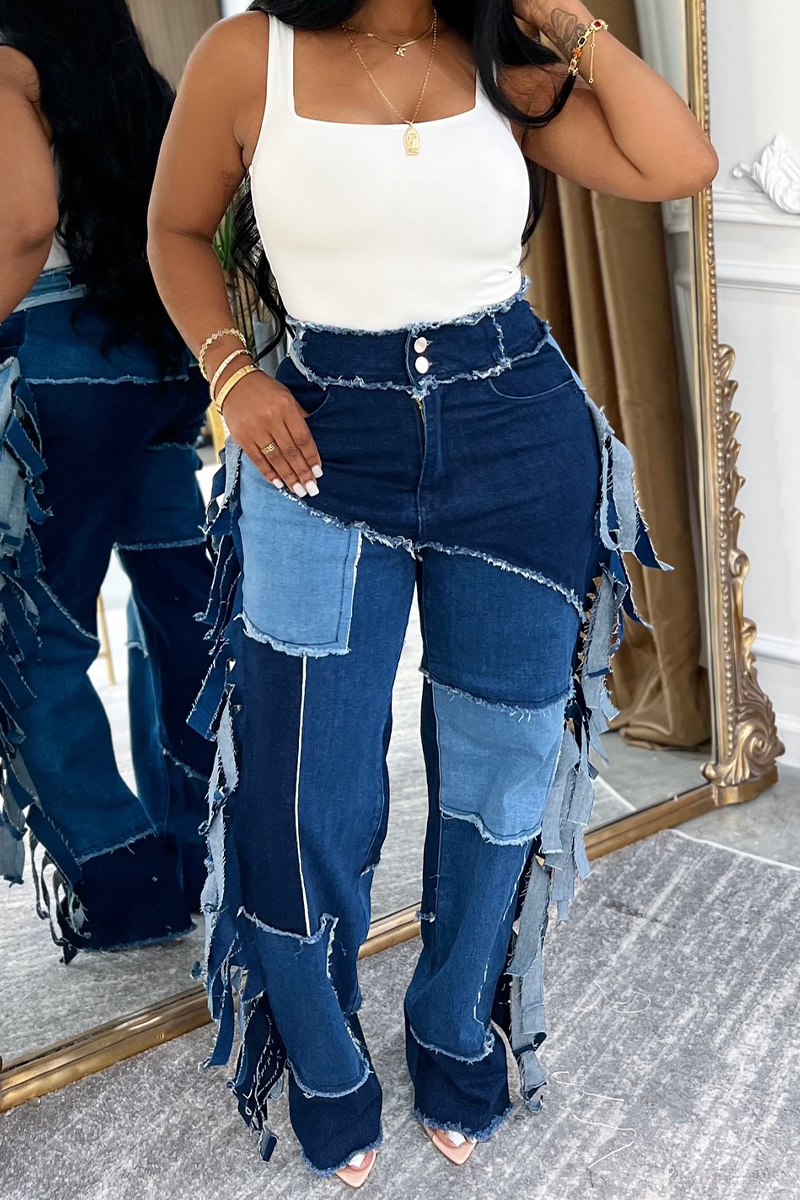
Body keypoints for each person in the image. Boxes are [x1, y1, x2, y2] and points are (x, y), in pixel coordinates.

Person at [147, 0, 717, 1184]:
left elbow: (678, 163)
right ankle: (323, 1065)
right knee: (304, 789)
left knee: (500, 776)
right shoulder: (248, 55)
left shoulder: (500, 55)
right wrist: (232, 373)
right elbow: (175, 228)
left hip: (515, 436)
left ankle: (456, 1037)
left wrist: (566, 21)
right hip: (313, 443)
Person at [0, 0, 216, 958]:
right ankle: (208, 853)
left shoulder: (5, 69)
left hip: (60, 376)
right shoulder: (128, 82)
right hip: (156, 364)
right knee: (180, 612)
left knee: (28, 637)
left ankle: (128, 889)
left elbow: (23, 225)